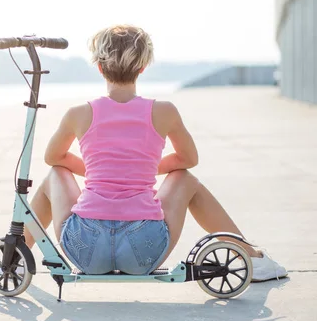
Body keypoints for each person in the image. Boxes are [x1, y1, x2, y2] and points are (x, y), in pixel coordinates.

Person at [23, 24, 287, 281]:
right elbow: (188, 160)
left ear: (100, 68)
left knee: (55, 173)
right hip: (142, 249)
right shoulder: (164, 111)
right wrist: (143, 168)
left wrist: (98, 169)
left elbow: (54, 157)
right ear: (142, 67)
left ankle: (17, 257)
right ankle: (252, 258)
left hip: (86, 249)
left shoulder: (78, 114)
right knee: (185, 179)